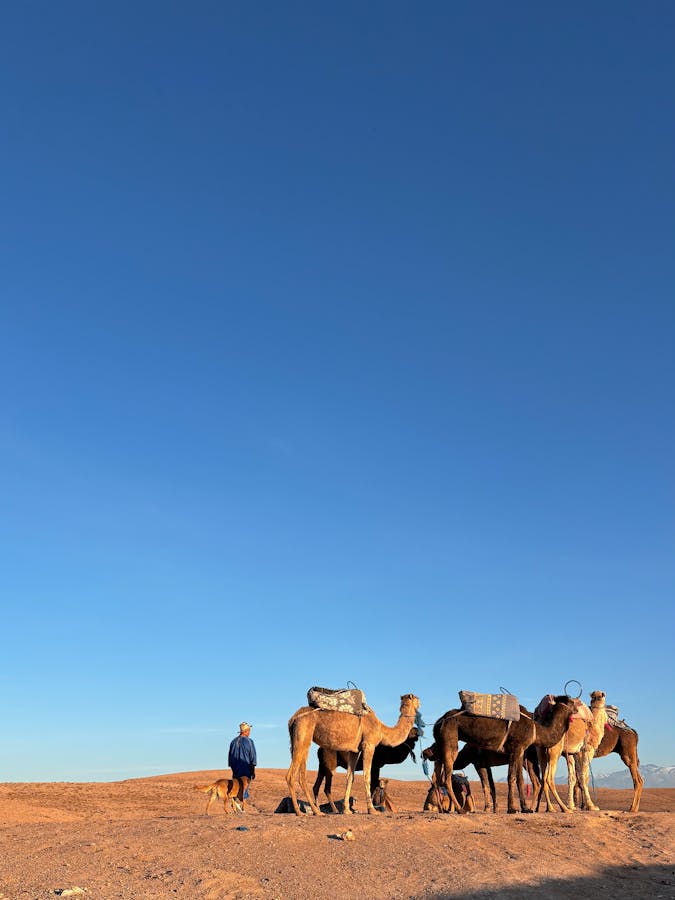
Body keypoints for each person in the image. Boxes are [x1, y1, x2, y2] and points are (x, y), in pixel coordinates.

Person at [228, 721, 257, 799]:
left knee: (236, 788)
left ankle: (236, 804)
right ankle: (240, 805)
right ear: (246, 731)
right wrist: (253, 771)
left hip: (235, 770)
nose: (249, 733)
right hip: (246, 770)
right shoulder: (249, 741)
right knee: (244, 789)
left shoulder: (233, 742)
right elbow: (253, 757)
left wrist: (233, 769)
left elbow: (230, 759)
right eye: (249, 731)